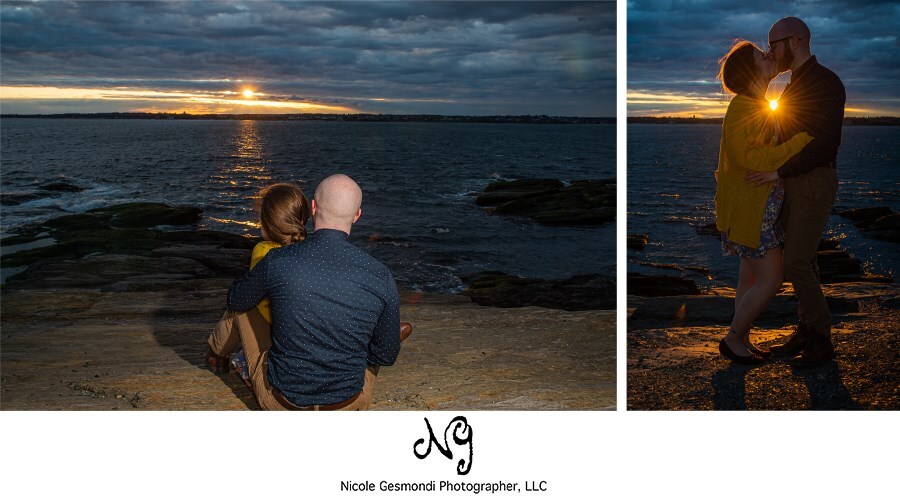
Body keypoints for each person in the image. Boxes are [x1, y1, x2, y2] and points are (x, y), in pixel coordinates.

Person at [206, 174, 412, 410]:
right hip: (349, 405)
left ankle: (216, 353)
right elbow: (385, 358)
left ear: (313, 207)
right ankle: (375, 335)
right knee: (371, 336)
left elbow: (235, 300)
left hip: (283, 403)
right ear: (357, 215)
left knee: (246, 301)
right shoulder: (380, 275)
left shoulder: (277, 261)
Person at [746, 17, 845, 367]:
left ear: (797, 40)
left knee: (797, 262)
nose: (772, 51)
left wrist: (777, 171)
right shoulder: (794, 84)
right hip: (794, 181)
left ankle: (821, 339)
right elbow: (784, 138)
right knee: (807, 259)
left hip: (814, 180)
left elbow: (824, 143)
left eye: (774, 44)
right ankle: (805, 329)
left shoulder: (825, 82)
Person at [714, 39, 813, 365]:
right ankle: (732, 339)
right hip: (753, 212)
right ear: (750, 71)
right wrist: (799, 142)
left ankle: (741, 337)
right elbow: (750, 157)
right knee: (772, 279)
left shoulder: (755, 103)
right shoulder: (745, 106)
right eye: (762, 56)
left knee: (750, 278)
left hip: (753, 210)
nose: (769, 56)